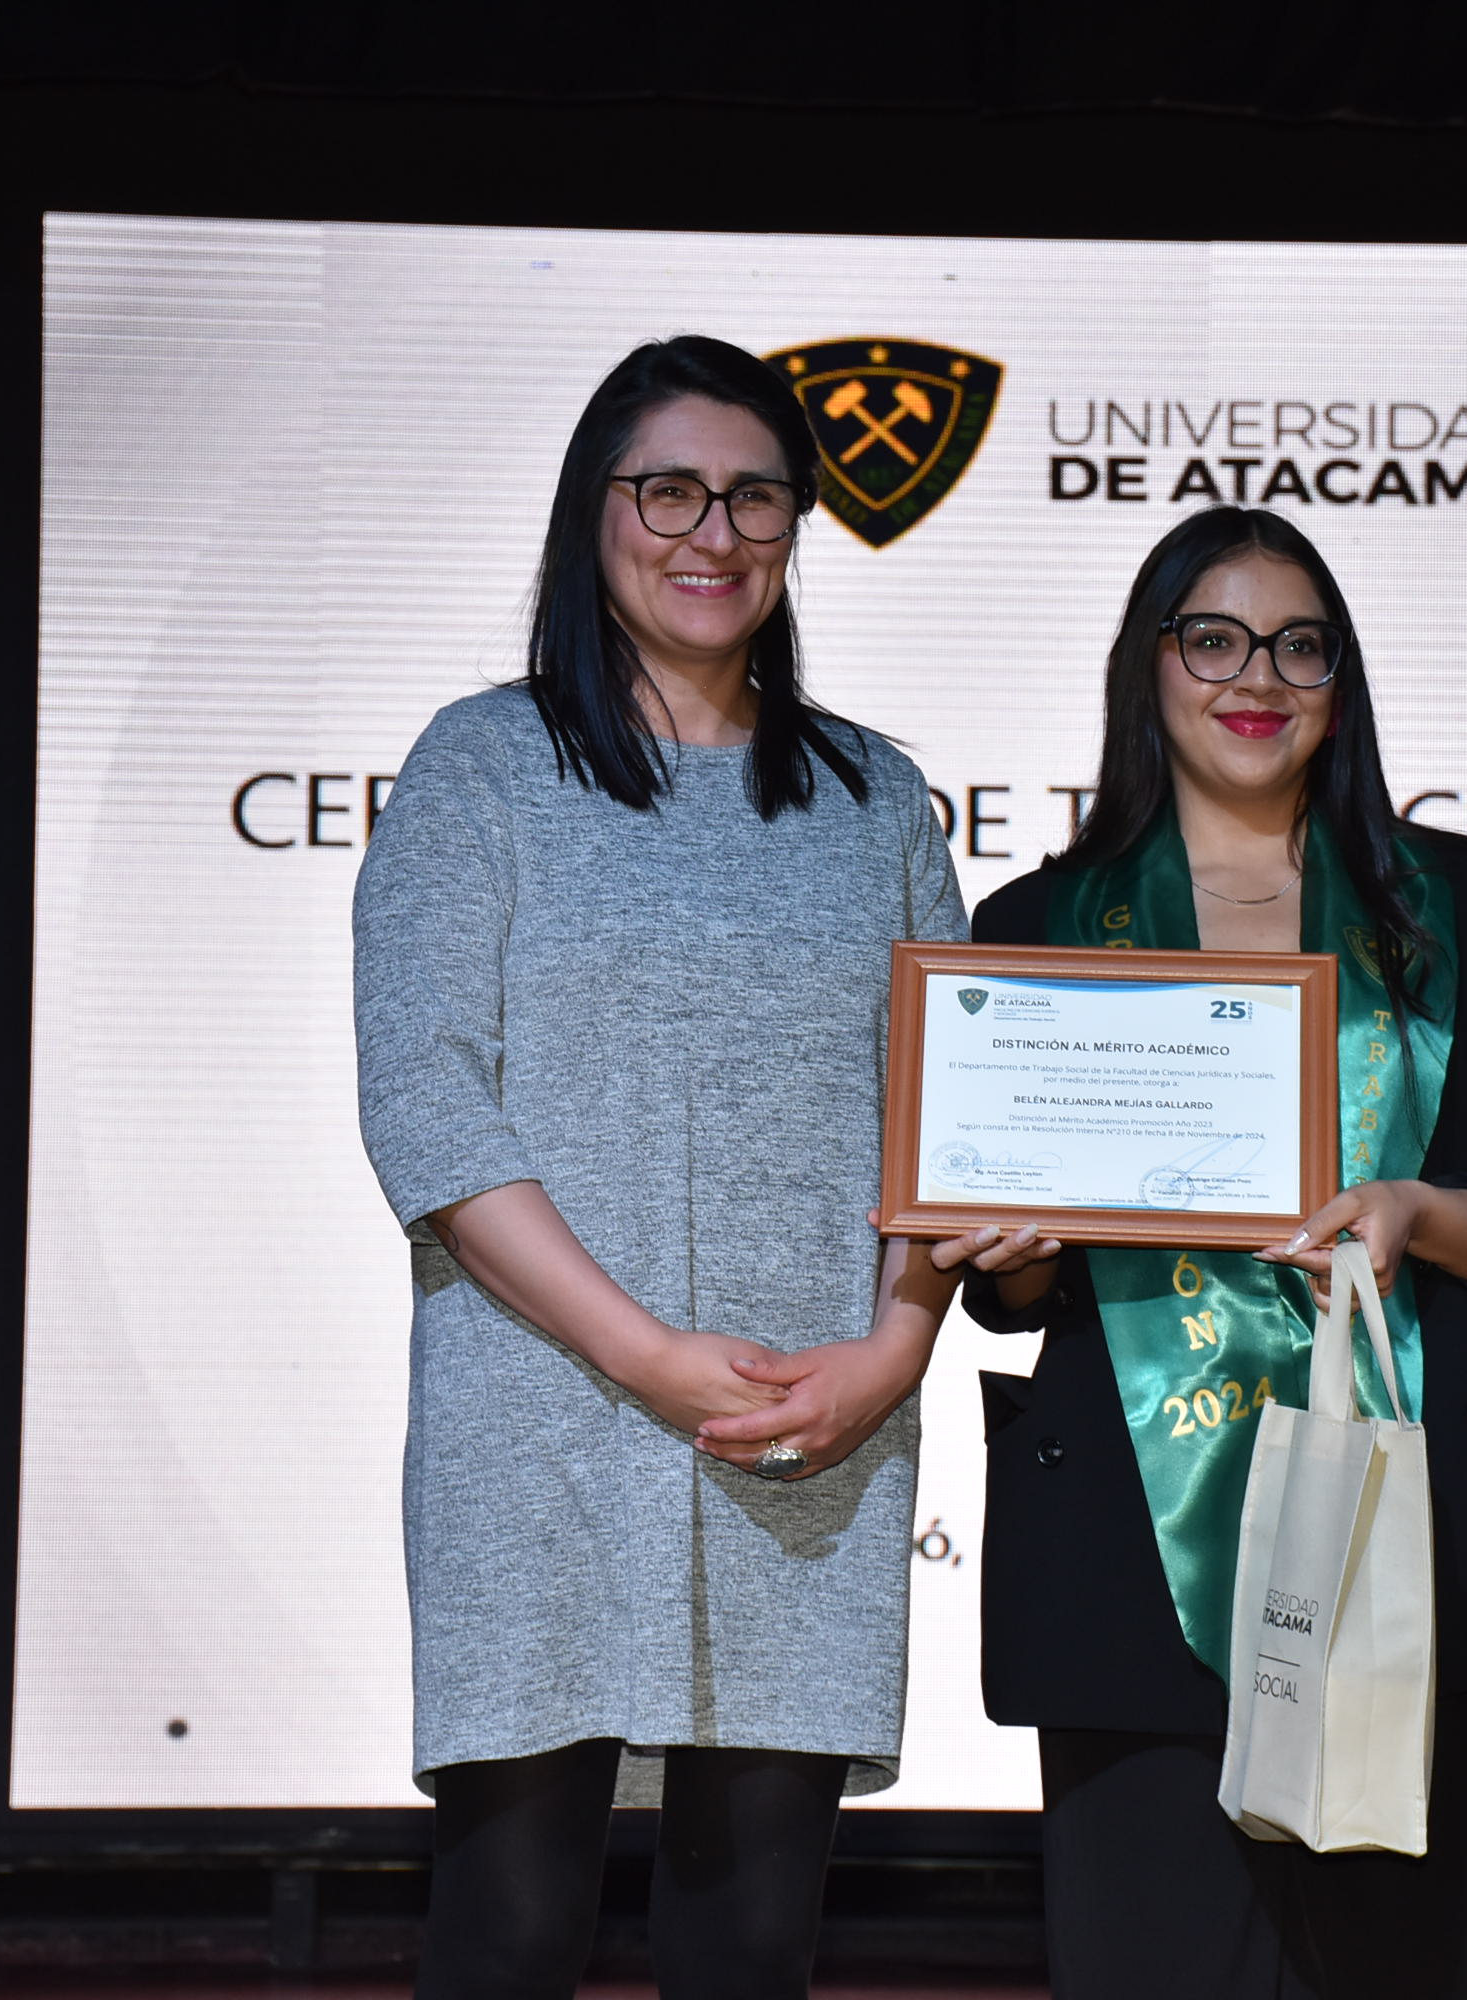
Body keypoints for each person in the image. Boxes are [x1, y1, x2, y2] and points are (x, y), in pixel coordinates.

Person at [351, 334, 967, 2000]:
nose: (715, 533)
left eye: (756, 496)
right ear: (596, 511)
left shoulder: (874, 797)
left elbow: (949, 1119)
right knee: (510, 1935)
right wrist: (641, 1354)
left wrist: (893, 1351)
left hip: (807, 1419)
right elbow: (425, 1102)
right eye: (671, 490)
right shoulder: (485, 765)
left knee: (752, 1949)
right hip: (541, 1418)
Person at [932, 506, 1467, 1999]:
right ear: (1150, 665)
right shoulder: (1042, 923)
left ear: (1340, 680)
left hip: (1414, 1523)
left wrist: (1415, 1212)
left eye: (1301, 645)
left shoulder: (1455, 905)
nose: (1259, 676)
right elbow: (1009, 1291)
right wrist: (1019, 1256)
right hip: (1132, 1549)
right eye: (1215, 638)